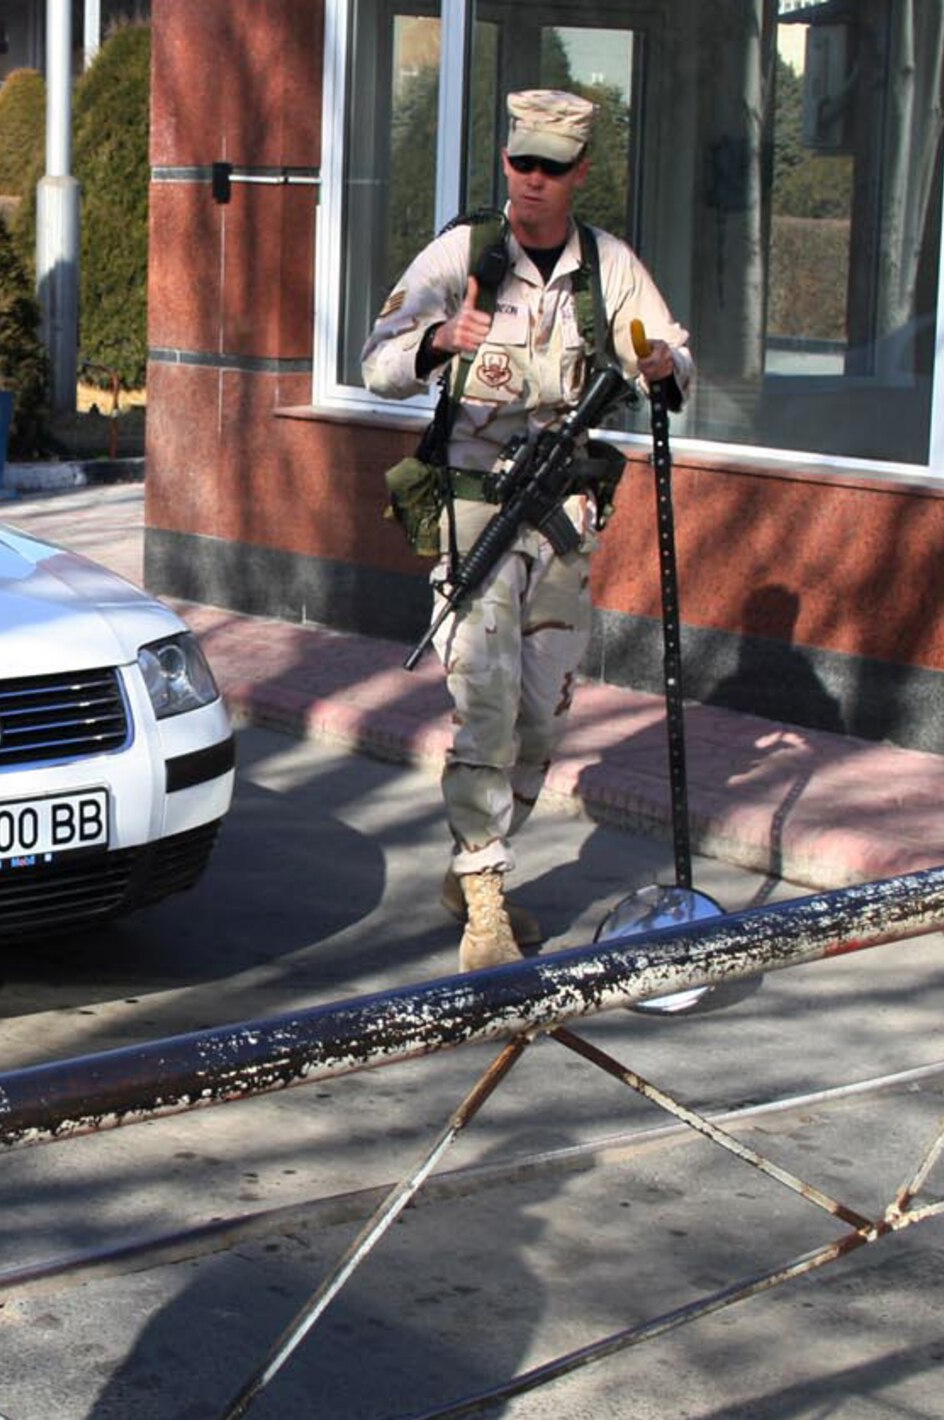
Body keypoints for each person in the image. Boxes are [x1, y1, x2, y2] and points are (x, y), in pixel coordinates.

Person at [360, 91, 694, 974]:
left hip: (562, 523)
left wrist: (661, 364)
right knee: (486, 704)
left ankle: (475, 862)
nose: (534, 180)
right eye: (521, 164)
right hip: (474, 513)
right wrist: (440, 340)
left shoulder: (608, 266)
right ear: (505, 163)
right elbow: (378, 363)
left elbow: (666, 358)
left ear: (582, 172)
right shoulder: (464, 255)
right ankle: (482, 892)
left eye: (552, 166)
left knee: (541, 716)